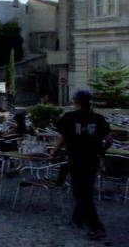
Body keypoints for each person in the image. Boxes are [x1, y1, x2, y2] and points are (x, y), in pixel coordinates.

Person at [55, 89, 111, 241]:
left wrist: (54, 151)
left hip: (76, 159)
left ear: (75, 101)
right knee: (86, 190)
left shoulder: (69, 117)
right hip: (92, 160)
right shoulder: (98, 118)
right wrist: (101, 150)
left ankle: (96, 227)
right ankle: (77, 219)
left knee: (82, 194)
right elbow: (109, 139)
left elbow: (62, 138)